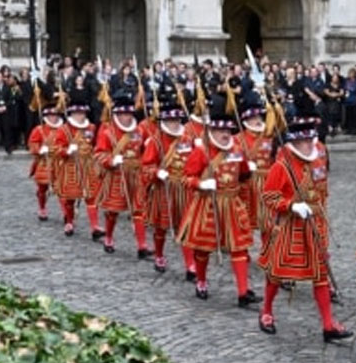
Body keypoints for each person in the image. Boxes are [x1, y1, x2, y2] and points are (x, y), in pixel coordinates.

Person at [257, 112, 352, 341]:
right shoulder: (282, 166)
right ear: (295, 142)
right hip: (290, 227)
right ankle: (266, 311)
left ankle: (328, 324)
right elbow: (268, 197)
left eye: (312, 140)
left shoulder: (318, 161)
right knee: (276, 273)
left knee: (320, 276)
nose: (311, 145)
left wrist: (320, 211)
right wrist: (290, 206)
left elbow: (322, 191)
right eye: (305, 141)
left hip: (315, 225)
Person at [177, 95, 257, 306]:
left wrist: (249, 172)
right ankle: (201, 281)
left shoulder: (237, 150)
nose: (224, 135)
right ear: (211, 131)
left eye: (227, 131)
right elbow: (186, 178)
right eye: (220, 131)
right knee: (203, 248)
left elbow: (244, 174)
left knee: (240, 248)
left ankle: (242, 291)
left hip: (231, 203)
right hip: (208, 204)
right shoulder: (201, 152)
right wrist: (201, 184)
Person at [94, 89, 158, 255]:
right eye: (123, 114)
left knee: (138, 210)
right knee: (113, 211)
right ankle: (108, 237)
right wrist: (111, 160)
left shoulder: (139, 131)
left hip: (136, 175)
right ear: (117, 115)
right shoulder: (108, 132)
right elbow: (99, 153)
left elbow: (145, 151)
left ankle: (142, 245)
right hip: (116, 174)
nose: (127, 117)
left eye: (130, 113)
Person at [146, 96, 195, 275]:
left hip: (184, 188)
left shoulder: (188, 139)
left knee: (186, 226)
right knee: (162, 226)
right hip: (164, 188)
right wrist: (156, 172)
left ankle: (190, 264)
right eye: (170, 121)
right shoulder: (155, 141)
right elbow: (147, 166)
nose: (174, 124)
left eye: (176, 120)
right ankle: (159, 254)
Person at [53, 89, 101, 237]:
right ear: (72, 114)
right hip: (71, 166)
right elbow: (56, 149)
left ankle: (94, 227)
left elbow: (96, 144)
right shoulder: (63, 130)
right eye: (78, 114)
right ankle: (69, 222)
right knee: (70, 198)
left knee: (91, 196)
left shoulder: (91, 127)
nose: (80, 116)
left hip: (87, 166)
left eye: (83, 113)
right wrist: (67, 150)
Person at [238, 90, 277, 241]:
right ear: (246, 121)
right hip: (247, 183)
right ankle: (243, 250)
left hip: (266, 182)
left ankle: (266, 254)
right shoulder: (238, 139)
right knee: (245, 218)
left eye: (259, 117)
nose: (257, 120)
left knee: (267, 219)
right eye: (253, 118)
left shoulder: (269, 137)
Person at [26, 89, 65, 222]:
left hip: (59, 162)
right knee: (42, 188)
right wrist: (39, 149)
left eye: (55, 116)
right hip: (44, 162)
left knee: (62, 189)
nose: (53, 118)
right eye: (51, 116)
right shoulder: (39, 130)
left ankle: (66, 213)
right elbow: (32, 143)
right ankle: (42, 207)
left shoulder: (63, 129)